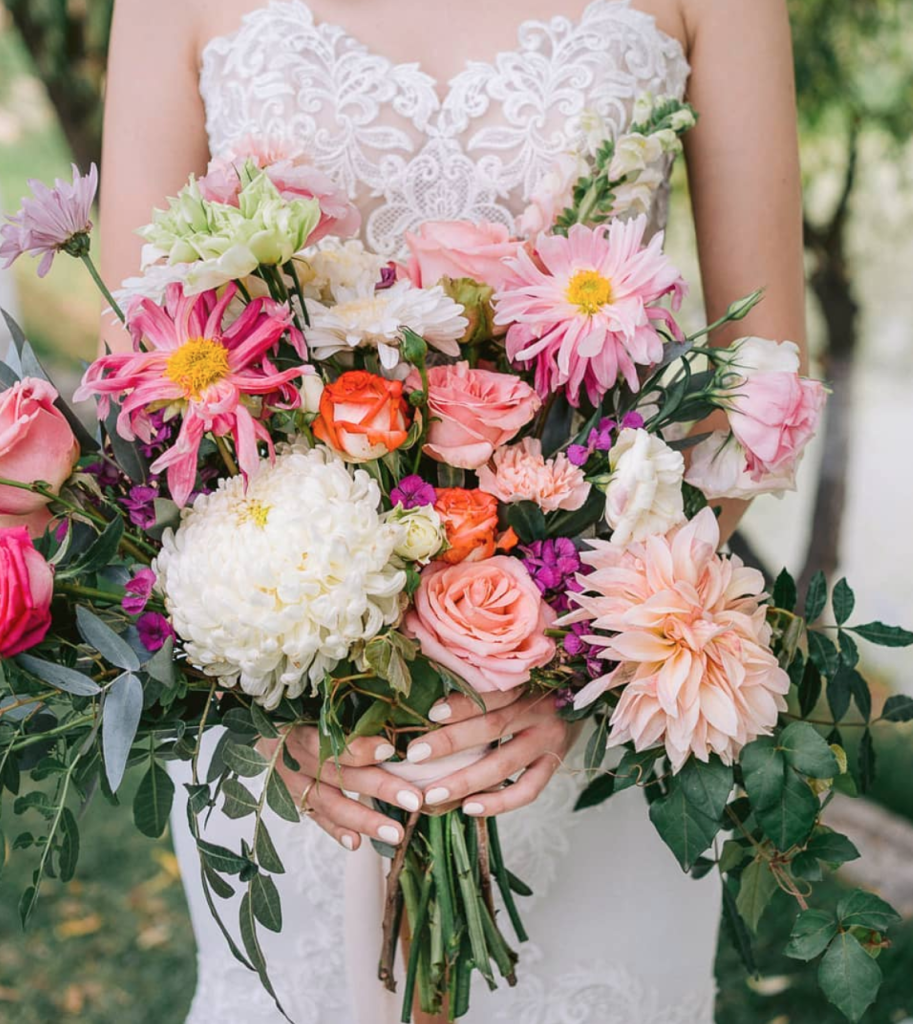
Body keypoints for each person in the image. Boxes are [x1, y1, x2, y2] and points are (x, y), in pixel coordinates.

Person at [99, 1, 806, 1021]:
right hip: (299, 730)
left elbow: (762, 381)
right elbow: (140, 367)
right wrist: (274, 706)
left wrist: (583, 656)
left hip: (585, 705)